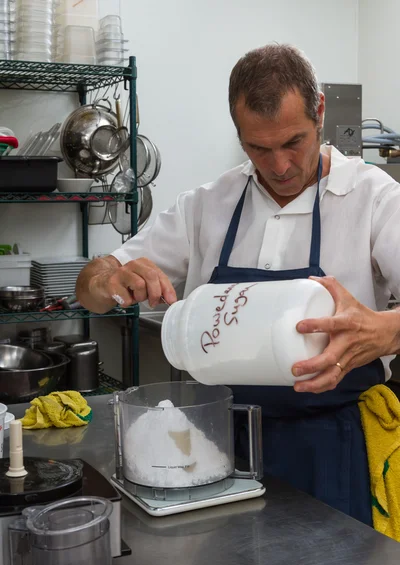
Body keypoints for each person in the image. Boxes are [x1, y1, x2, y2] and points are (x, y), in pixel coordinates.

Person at [77, 43, 400, 526]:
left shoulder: (373, 198)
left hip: (333, 444)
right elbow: (89, 285)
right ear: (239, 133)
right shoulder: (209, 204)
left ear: (321, 113)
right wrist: (110, 278)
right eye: (258, 148)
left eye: (294, 142)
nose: (280, 166)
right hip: (218, 445)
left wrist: (385, 330)